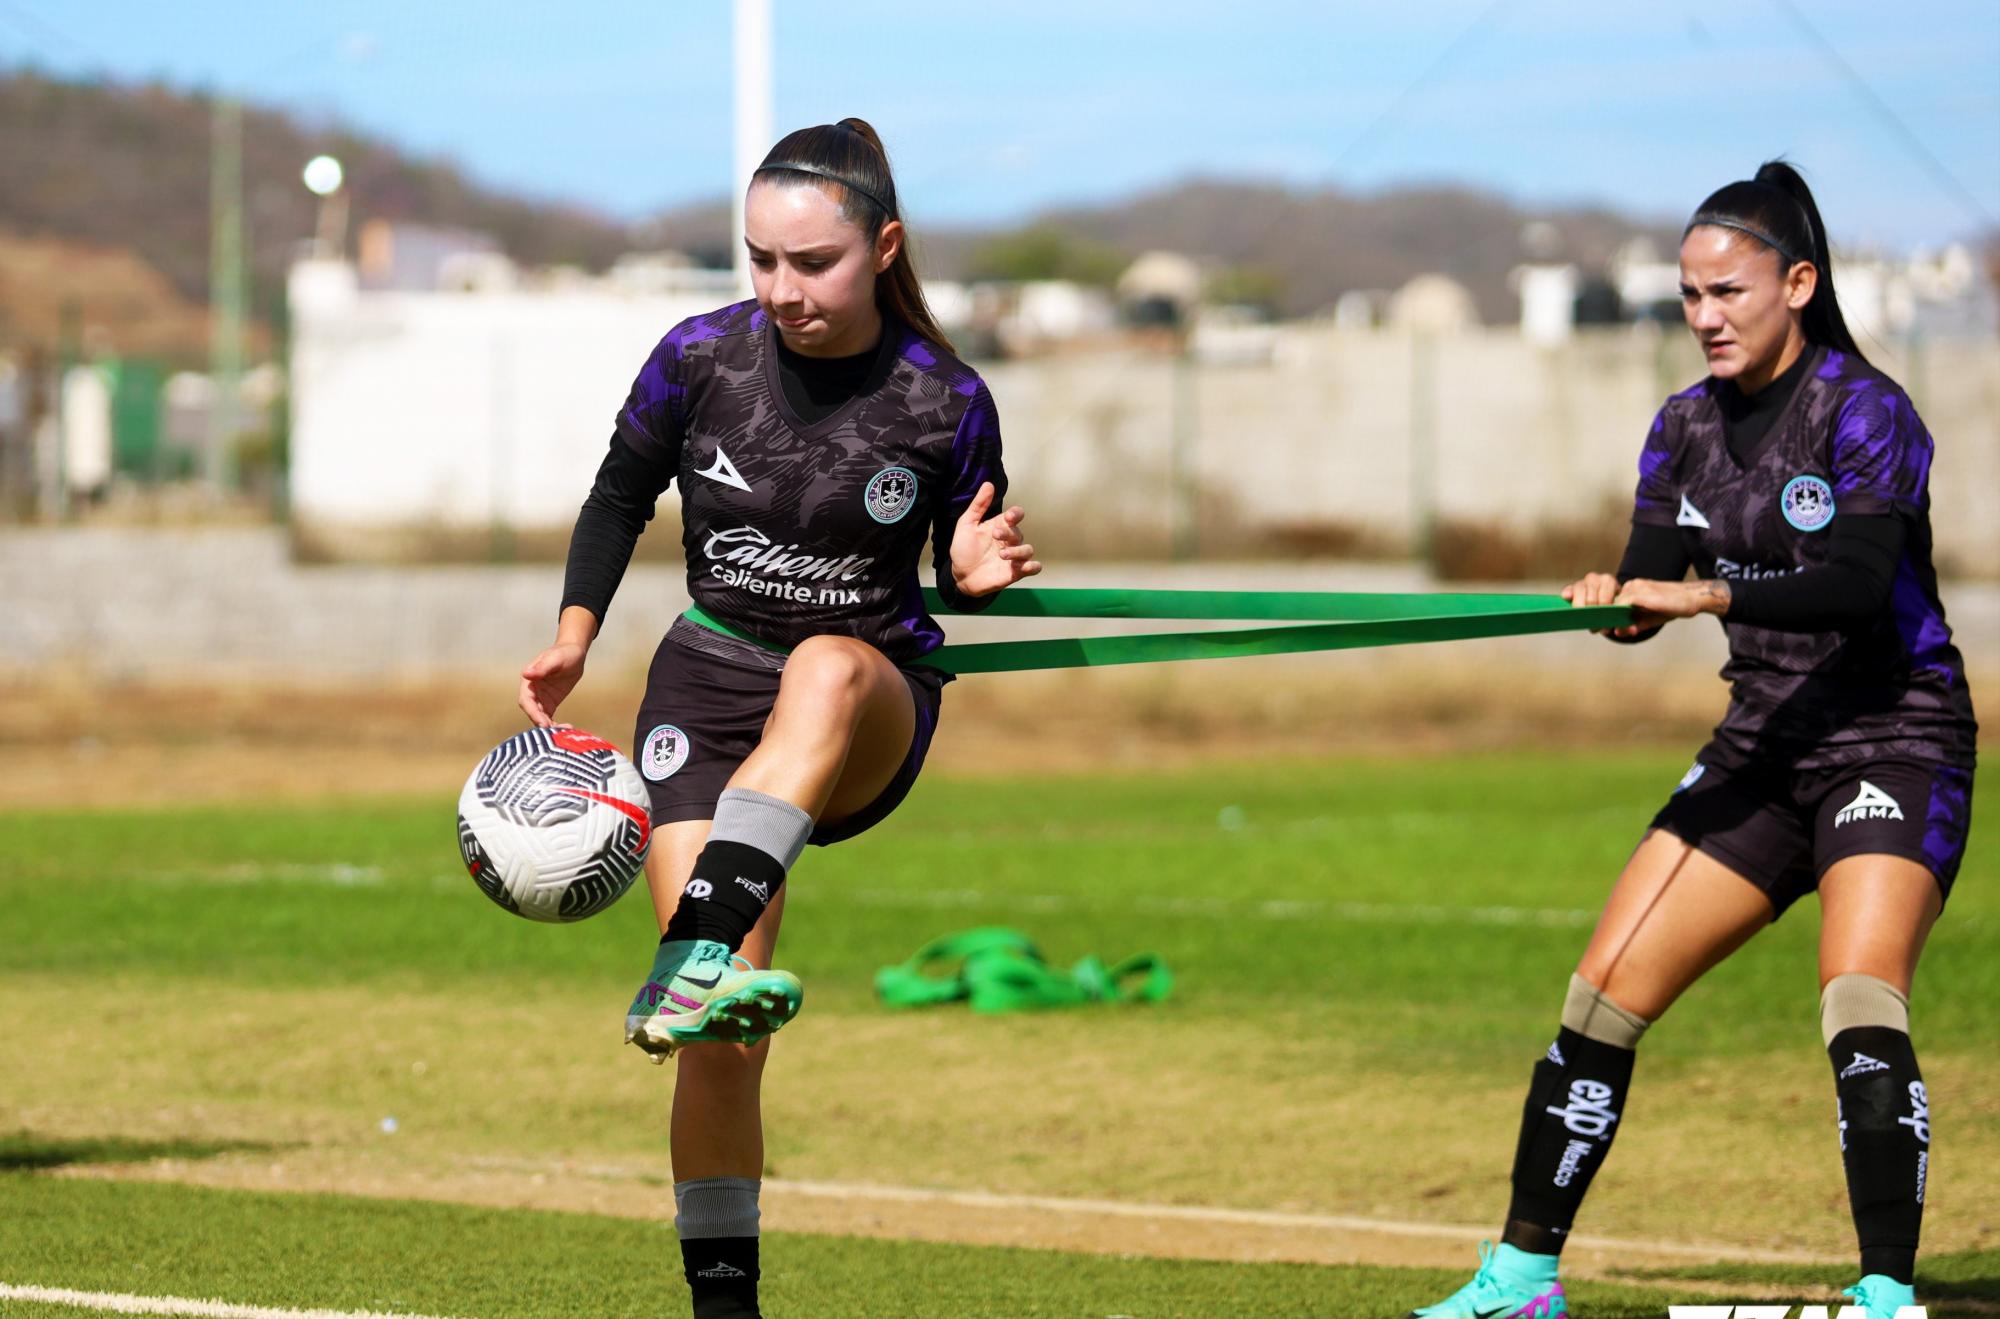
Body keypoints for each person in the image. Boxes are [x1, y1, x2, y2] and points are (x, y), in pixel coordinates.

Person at [1409, 161, 1976, 1319]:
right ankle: (1520, 1278)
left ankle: (1881, 1293)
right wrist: (1617, 600)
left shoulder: (1863, 409)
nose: (1706, 316)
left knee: (1857, 996)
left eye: (1728, 290)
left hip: (1888, 733)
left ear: (1797, 285)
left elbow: (1858, 586)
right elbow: (1650, 579)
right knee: (1601, 996)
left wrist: (1703, 601)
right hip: (1759, 742)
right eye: (1687, 295)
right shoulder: (1679, 425)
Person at [517, 118, 1040, 1319]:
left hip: (865, 702)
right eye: (759, 259)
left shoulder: (943, 395)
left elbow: (972, 553)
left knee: (823, 664)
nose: (781, 289)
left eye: (811, 263)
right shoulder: (699, 357)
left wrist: (971, 563)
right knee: (720, 1035)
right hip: (703, 688)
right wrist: (575, 634)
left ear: (883, 248)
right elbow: (616, 493)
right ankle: (724, 1306)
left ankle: (685, 954)